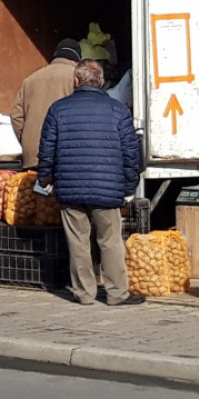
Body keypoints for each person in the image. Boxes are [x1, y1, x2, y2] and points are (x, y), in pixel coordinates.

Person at [37, 59, 144, 306]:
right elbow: (131, 154)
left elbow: (47, 151)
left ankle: (84, 293)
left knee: (78, 242)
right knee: (110, 240)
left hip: (70, 188)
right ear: (102, 82)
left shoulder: (58, 109)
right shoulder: (118, 110)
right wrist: (129, 187)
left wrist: (45, 178)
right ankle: (117, 293)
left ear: (76, 81)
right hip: (108, 189)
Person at [10, 38, 80, 169]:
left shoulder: (30, 79)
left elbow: (16, 115)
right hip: (63, 155)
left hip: (33, 155)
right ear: (76, 60)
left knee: (33, 189)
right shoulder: (76, 79)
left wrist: (26, 140)